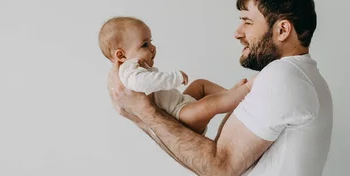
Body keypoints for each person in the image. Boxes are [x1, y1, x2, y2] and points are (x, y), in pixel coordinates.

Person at [107, 0, 333, 176]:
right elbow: (203, 162)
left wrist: (144, 112)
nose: (237, 33)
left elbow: (219, 168)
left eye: (247, 21)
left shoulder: (285, 77)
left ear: (282, 30)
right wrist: (141, 115)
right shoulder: (291, 77)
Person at [98, 16, 252, 133]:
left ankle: (229, 94)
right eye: (145, 45)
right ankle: (238, 98)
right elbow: (143, 83)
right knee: (208, 105)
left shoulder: (134, 66)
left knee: (200, 85)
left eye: (151, 42)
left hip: (181, 102)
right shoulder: (129, 72)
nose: (153, 48)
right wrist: (175, 78)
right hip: (179, 116)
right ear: (121, 55)